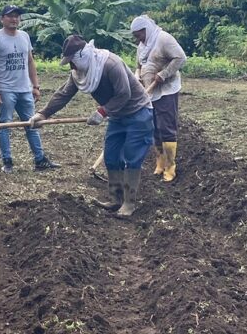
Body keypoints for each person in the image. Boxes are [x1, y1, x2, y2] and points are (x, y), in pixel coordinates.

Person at [30, 35, 154, 217]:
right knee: (111, 157)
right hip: (117, 117)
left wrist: (103, 112)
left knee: (132, 158)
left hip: (138, 113)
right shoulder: (79, 73)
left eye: (72, 62)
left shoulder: (110, 64)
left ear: (82, 56)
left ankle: (129, 203)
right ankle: (115, 199)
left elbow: (124, 94)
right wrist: (43, 113)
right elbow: (64, 94)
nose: (72, 67)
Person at [0, 4, 60, 174]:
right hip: (6, 89)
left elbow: (30, 62)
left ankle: (40, 160)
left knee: (32, 124)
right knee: (5, 124)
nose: (14, 19)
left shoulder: (24, 36)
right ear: (2, 19)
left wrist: (35, 86)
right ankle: (7, 161)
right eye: (10, 16)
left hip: (25, 89)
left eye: (17, 15)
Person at [130, 14, 187, 182]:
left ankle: (170, 166)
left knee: (166, 128)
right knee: (154, 127)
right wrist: (138, 77)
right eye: (135, 35)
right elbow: (139, 65)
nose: (137, 38)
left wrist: (164, 74)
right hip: (149, 93)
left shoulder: (163, 39)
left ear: (146, 29)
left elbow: (181, 58)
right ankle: (160, 162)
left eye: (139, 34)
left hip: (166, 91)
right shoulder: (142, 45)